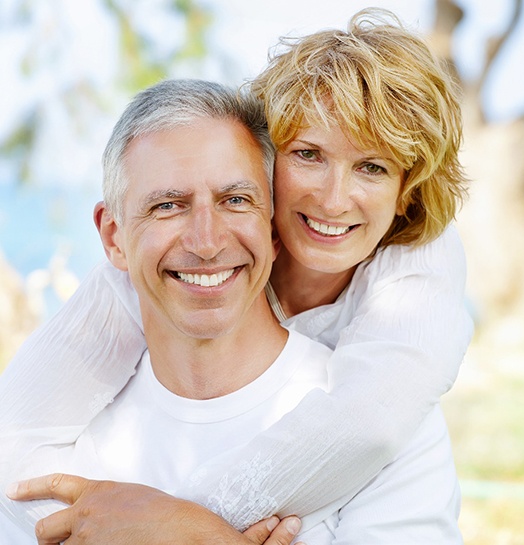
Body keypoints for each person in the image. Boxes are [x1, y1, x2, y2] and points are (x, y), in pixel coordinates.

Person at [1, 6, 472, 540]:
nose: (335, 199)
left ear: (406, 192)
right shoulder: (143, 274)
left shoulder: (416, 282)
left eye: (372, 167)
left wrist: (188, 530)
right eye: (309, 154)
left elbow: (370, 423)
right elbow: (11, 434)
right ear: (264, 164)